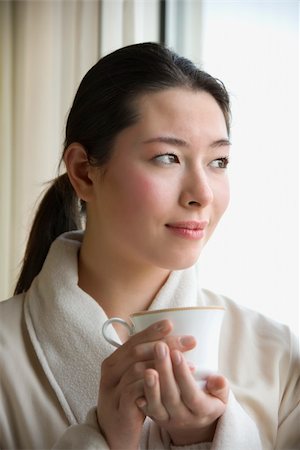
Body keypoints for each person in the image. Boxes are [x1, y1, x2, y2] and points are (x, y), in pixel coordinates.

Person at [0, 42, 299, 450]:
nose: (201, 195)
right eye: (167, 158)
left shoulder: (279, 358)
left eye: (218, 162)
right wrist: (104, 439)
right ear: (84, 172)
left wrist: (207, 438)